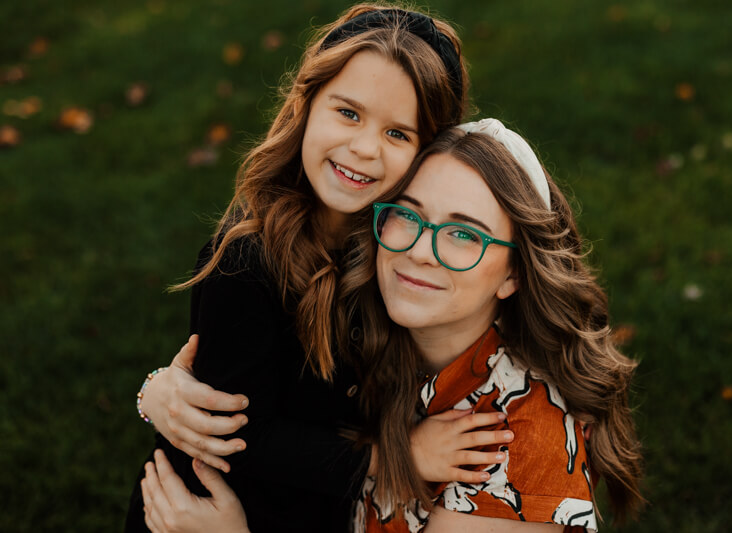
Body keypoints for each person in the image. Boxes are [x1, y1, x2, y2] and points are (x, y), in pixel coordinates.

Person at [140, 120, 645, 532]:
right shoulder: (368, 335)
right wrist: (160, 396)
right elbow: (267, 423)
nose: (420, 252)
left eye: (464, 235)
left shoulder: (518, 440)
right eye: (408, 216)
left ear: (513, 273)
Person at [125, 6, 513, 533]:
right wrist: (396, 457)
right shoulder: (247, 259)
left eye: (398, 133)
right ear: (306, 105)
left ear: (429, 153)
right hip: (216, 511)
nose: (363, 148)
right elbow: (241, 436)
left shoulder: (398, 245)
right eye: (348, 113)